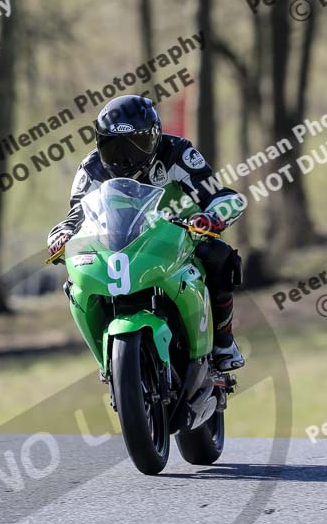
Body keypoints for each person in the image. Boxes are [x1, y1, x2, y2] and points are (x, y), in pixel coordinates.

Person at [47, 95, 246, 371]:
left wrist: (211, 217)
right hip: (117, 246)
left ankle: (224, 343)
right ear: (99, 143)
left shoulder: (177, 153)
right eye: (113, 147)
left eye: (135, 145)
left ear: (154, 138)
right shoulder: (92, 169)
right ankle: (108, 362)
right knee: (75, 283)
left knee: (220, 257)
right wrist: (62, 235)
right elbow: (76, 217)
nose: (124, 157)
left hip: (178, 238)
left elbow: (220, 196)